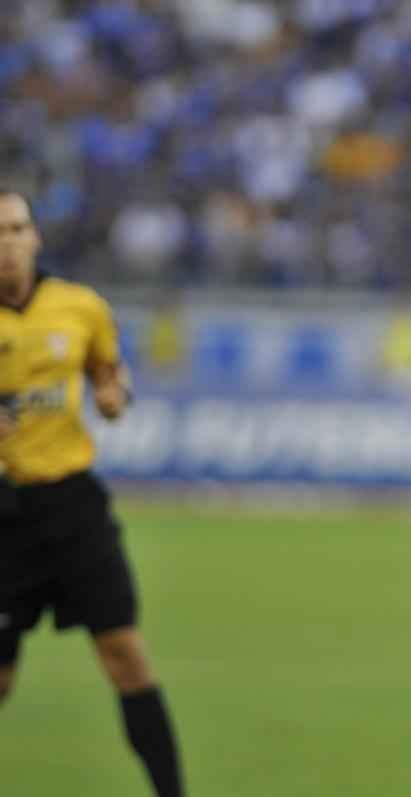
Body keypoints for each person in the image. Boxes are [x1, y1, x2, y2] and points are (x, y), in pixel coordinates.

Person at [0, 190, 184, 797]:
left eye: (17, 228)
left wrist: (114, 396)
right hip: (5, 517)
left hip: (74, 507)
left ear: (36, 238)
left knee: (125, 653)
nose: (8, 244)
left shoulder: (79, 308)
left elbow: (110, 371)